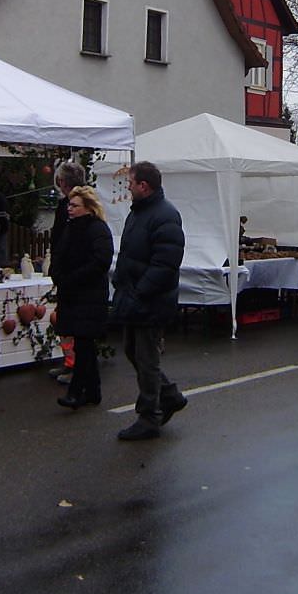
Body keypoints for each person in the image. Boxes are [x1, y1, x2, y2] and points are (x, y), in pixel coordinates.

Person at [110, 161, 186, 441]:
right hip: (135, 296)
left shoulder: (165, 215)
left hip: (150, 300)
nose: (127, 187)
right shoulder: (139, 213)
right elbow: (131, 254)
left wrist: (141, 290)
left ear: (144, 185)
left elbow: (166, 263)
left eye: (130, 183)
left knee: (146, 357)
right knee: (133, 351)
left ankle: (149, 415)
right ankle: (169, 395)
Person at [50, 185, 114, 410]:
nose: (70, 209)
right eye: (70, 204)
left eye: (75, 205)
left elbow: (101, 261)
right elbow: (59, 254)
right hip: (73, 293)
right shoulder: (71, 228)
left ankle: (76, 392)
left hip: (89, 295)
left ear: (88, 207)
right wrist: (56, 274)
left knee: (84, 344)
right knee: (83, 344)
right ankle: (92, 391)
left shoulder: (97, 229)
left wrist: (73, 278)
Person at [48, 160, 87, 383]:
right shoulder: (70, 203)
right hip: (66, 269)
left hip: (70, 271)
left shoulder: (72, 206)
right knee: (65, 319)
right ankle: (69, 362)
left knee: (71, 321)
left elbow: (63, 238)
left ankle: (74, 365)